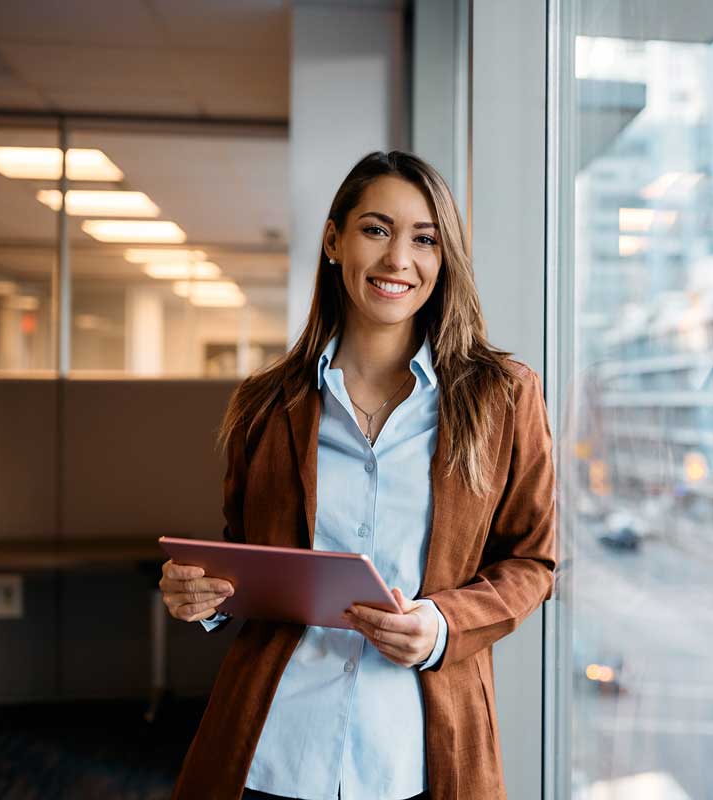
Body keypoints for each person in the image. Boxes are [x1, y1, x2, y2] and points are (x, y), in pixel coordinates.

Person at [159, 150, 556, 800]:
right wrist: (203, 598)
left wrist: (443, 624)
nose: (400, 258)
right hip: (275, 749)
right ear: (334, 240)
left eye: (424, 238)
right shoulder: (266, 404)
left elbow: (532, 561)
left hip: (418, 755)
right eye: (377, 229)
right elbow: (245, 556)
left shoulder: (503, 396)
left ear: (444, 255)